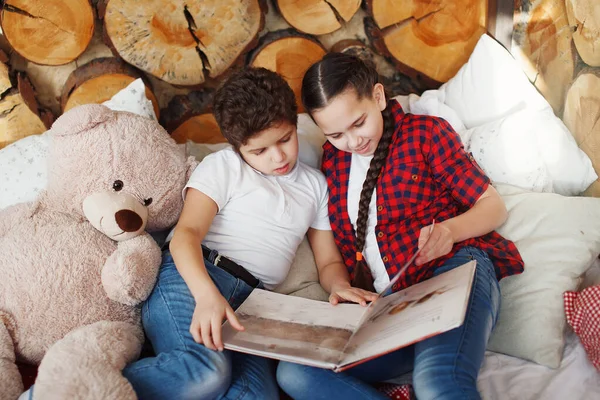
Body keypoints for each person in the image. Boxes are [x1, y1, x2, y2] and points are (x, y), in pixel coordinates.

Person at [275, 53, 525, 400]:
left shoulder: (425, 134)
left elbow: (493, 207)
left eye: (359, 123)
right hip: (392, 306)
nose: (352, 141)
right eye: (335, 134)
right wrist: (338, 286)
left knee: (437, 383)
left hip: (452, 272)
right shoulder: (332, 162)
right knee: (296, 373)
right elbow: (332, 262)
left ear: (378, 97)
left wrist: (449, 231)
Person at [121, 67, 377, 400]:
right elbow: (186, 235)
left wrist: (341, 285)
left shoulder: (316, 185)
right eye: (260, 151)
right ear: (238, 147)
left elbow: (328, 260)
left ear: (295, 123)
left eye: (285, 139)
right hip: (194, 278)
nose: (279, 156)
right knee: (205, 370)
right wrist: (206, 295)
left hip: (255, 306)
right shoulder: (224, 166)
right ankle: (77, 388)